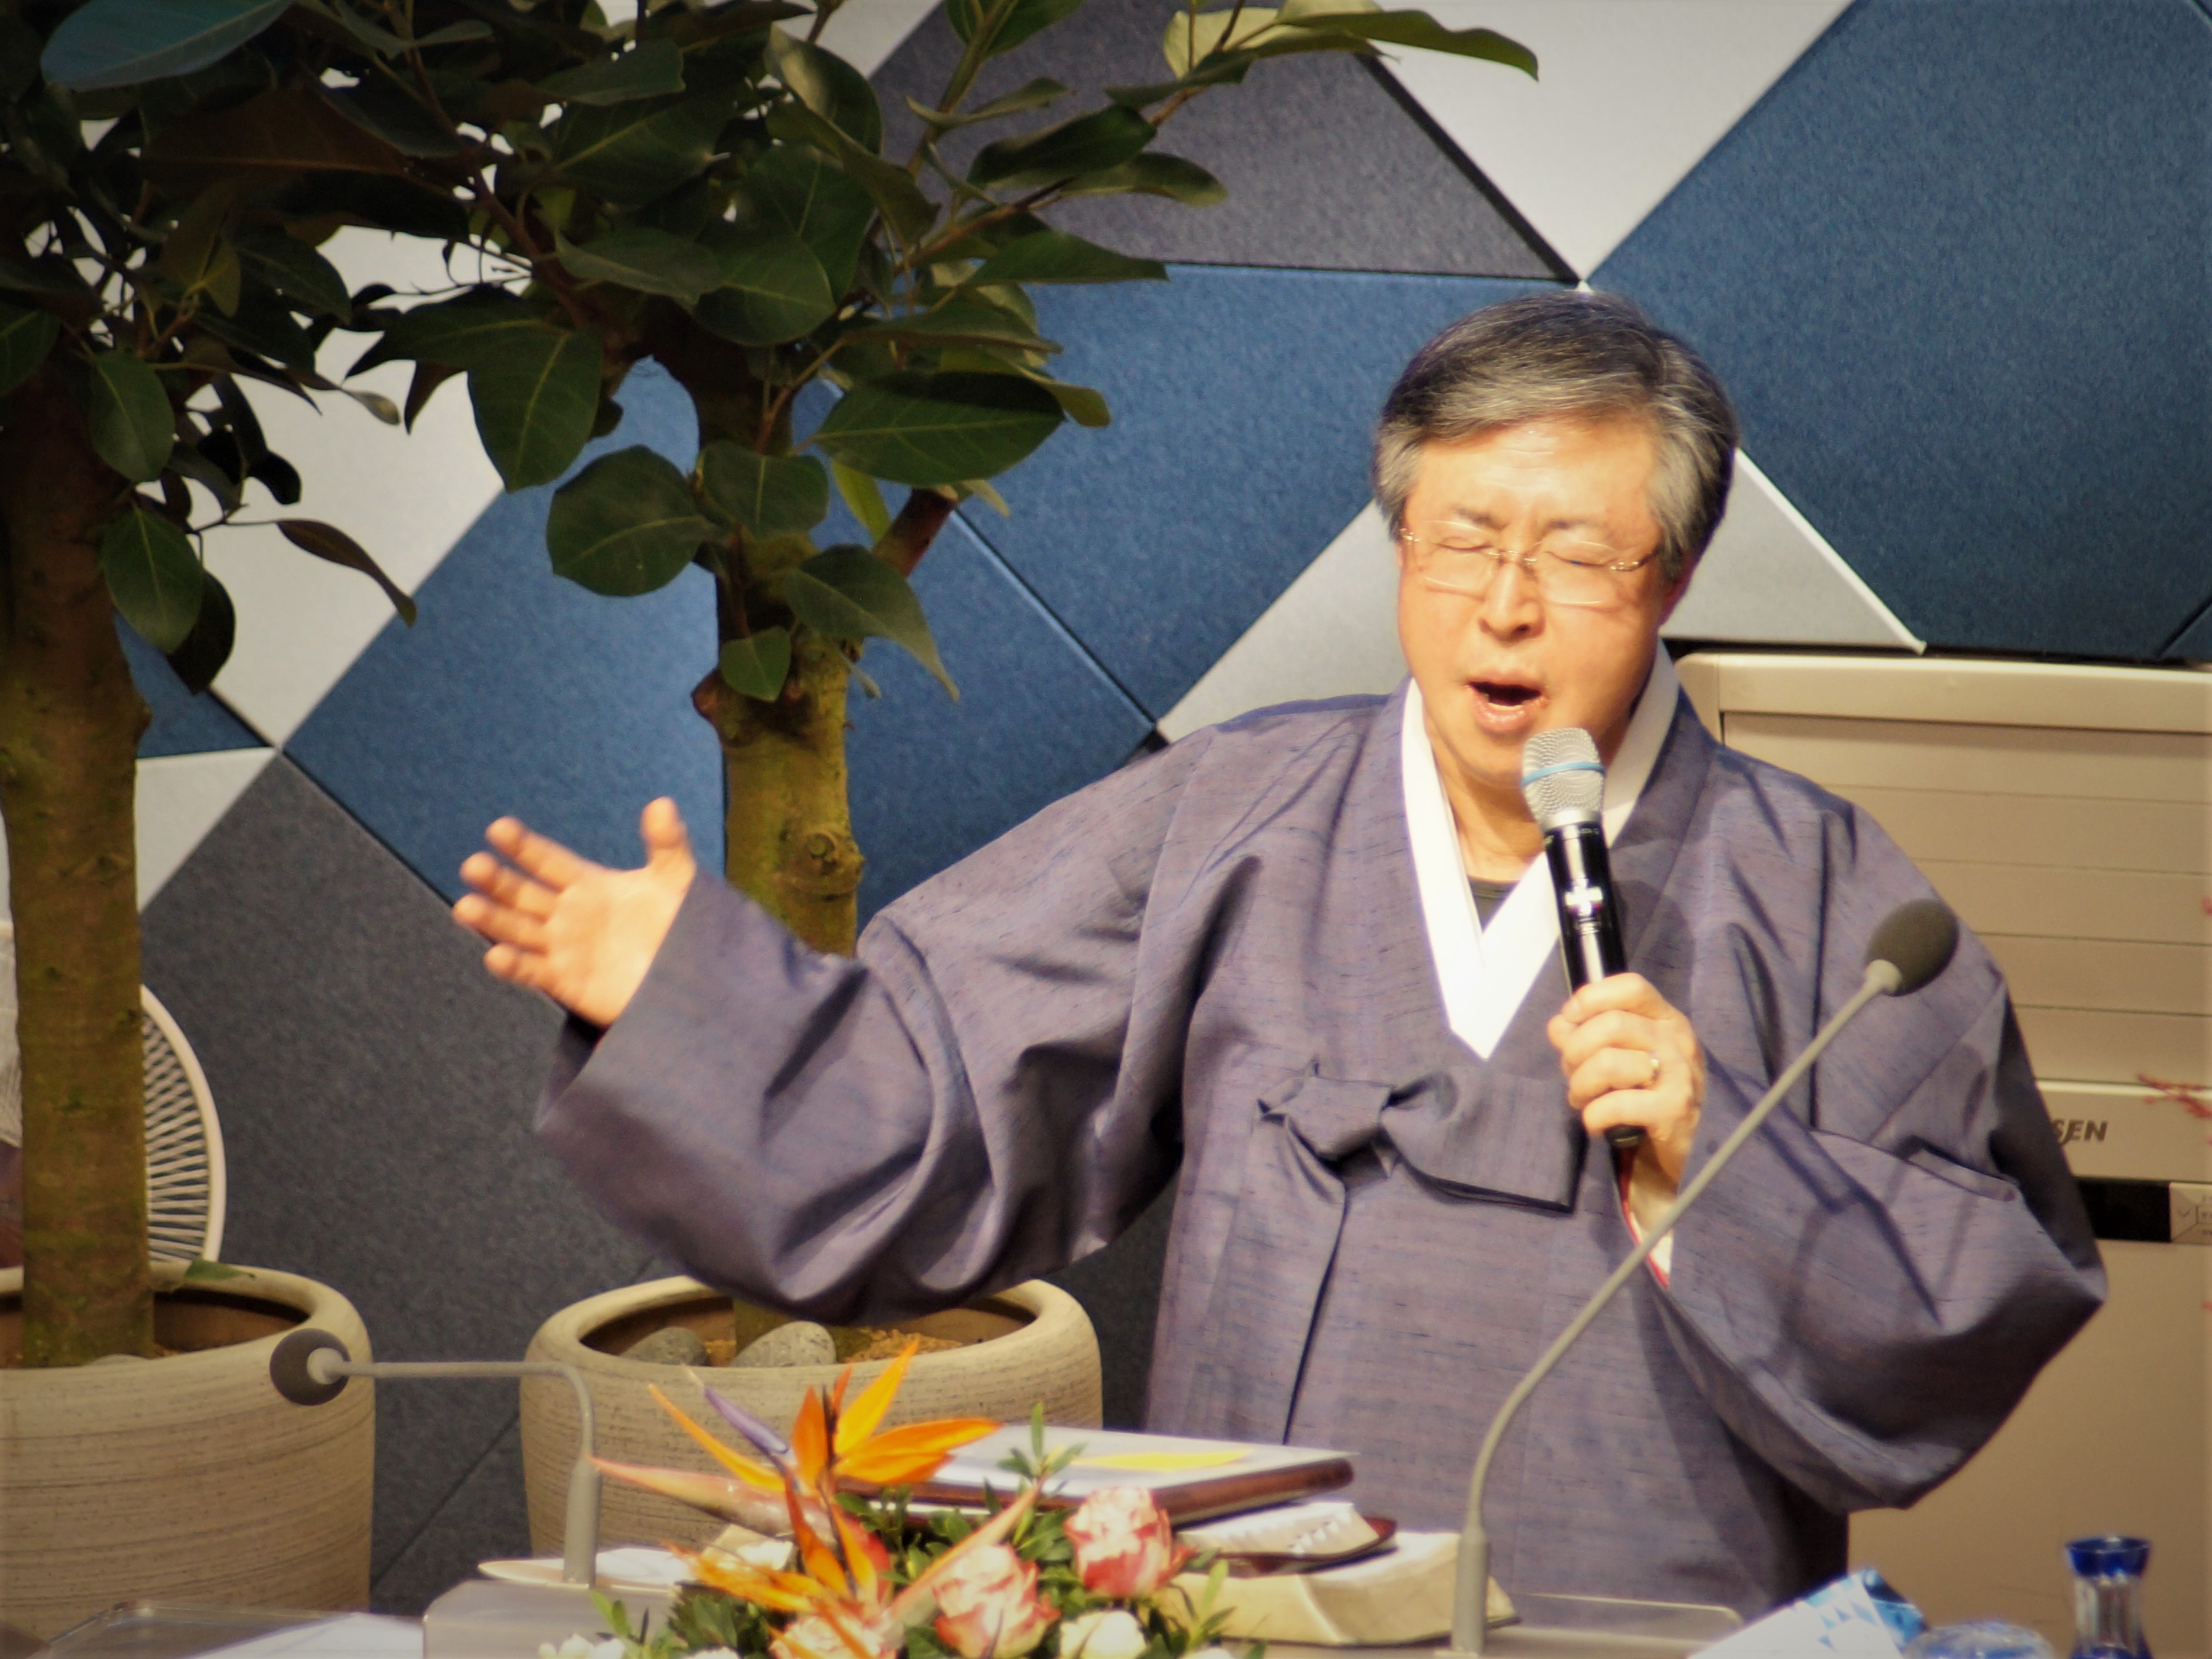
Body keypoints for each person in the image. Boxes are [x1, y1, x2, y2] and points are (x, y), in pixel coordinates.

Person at [454, 293, 2103, 1615]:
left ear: (1668, 574)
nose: (1504, 605)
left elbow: (1978, 1280)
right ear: (1398, 544)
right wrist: (684, 999)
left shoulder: (1819, 890)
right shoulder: (1230, 814)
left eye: (1573, 554)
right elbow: (933, 1090)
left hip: (1641, 1617)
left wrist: (1715, 1142)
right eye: (1460, 538)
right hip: (1256, 1609)